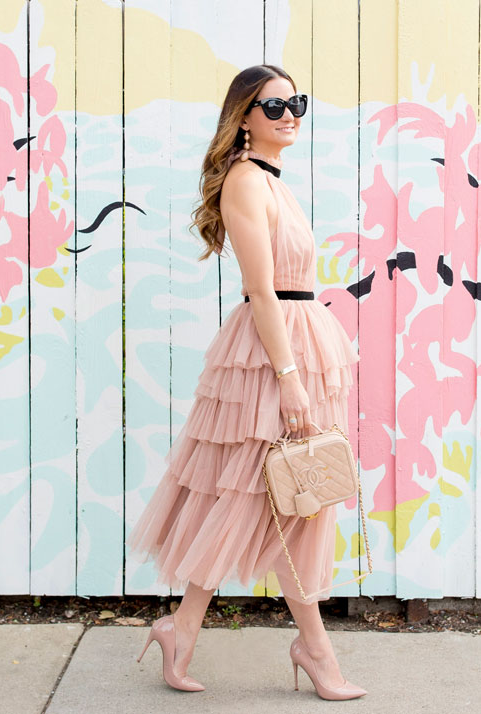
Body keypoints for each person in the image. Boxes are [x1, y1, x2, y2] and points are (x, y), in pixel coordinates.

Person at [128, 64, 364, 700]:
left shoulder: (272, 182)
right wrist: (288, 378)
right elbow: (261, 288)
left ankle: (183, 629)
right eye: (274, 104)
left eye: (298, 103)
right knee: (269, 496)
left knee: (284, 496)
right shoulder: (244, 182)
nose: (290, 114)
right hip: (271, 352)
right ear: (244, 116)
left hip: (298, 340)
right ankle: (312, 649)